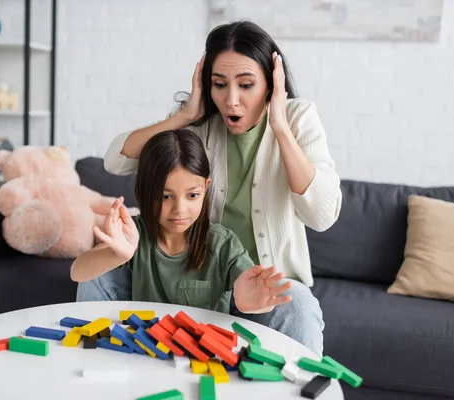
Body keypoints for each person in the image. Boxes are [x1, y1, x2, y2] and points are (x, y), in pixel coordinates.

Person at [94, 21, 343, 357]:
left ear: (272, 83)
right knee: (98, 274)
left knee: (297, 302)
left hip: (263, 291)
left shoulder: (298, 118)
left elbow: (322, 215)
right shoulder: (200, 126)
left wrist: (281, 128)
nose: (231, 101)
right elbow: (115, 161)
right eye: (219, 85)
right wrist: (184, 115)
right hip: (202, 286)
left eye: (246, 85)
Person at [72, 129, 293, 319]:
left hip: (203, 357)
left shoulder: (222, 243)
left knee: (295, 304)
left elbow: (251, 290)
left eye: (192, 195)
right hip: (145, 351)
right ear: (145, 191)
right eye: (166, 196)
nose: (179, 209)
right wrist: (119, 255)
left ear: (206, 188)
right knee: (97, 270)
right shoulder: (134, 233)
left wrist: (252, 302)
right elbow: (78, 273)